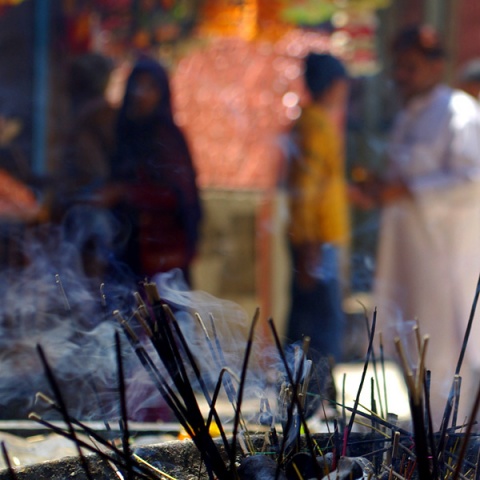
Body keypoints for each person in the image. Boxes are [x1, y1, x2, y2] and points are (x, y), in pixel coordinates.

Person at [357, 24, 480, 428]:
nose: (402, 76)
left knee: (441, 352)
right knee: (408, 348)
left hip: (443, 263)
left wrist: (410, 190)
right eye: (399, 67)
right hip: (408, 260)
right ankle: (423, 441)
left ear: (435, 66)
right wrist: (379, 190)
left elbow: (472, 180)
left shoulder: (460, 113)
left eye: (411, 67)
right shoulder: (409, 116)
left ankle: (451, 445)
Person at [107, 56, 202, 284]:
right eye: (137, 86)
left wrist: (126, 193)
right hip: (128, 251)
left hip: (162, 257)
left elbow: (178, 195)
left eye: (150, 87)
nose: (141, 94)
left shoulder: (166, 137)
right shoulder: (124, 132)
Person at [285, 52, 351, 368]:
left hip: (320, 238)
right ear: (333, 85)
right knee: (318, 324)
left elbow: (323, 183)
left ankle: (314, 393)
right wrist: (308, 245)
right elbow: (305, 191)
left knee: (317, 319)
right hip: (316, 241)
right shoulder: (313, 125)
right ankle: (311, 397)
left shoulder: (320, 122)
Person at [54, 52, 118, 279]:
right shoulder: (95, 114)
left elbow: (93, 169)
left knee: (91, 278)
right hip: (86, 207)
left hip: (93, 208)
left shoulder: (98, 115)